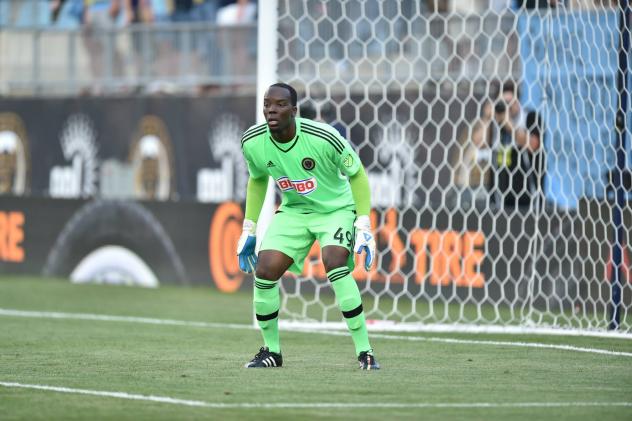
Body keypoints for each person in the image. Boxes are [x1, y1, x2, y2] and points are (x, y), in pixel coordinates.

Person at [237, 83, 380, 370]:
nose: (271, 110)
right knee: (265, 269)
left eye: (279, 104)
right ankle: (271, 352)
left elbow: (357, 174)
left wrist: (363, 222)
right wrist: (248, 228)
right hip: (295, 210)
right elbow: (257, 179)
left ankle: (365, 352)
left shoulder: (323, 137)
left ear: (294, 110)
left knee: (335, 262)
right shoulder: (252, 141)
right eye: (267, 104)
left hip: (335, 209)